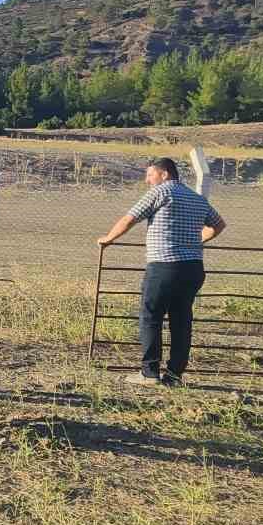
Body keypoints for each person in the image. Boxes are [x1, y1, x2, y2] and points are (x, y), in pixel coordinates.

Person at [96, 157, 226, 386]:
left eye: (150, 175)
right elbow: (218, 224)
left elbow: (130, 218)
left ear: (164, 174)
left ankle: (149, 372)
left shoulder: (161, 192)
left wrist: (108, 239)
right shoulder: (196, 198)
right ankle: (174, 376)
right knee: (181, 320)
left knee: (151, 316)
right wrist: (197, 242)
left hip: (164, 265)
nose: (147, 180)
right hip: (193, 267)